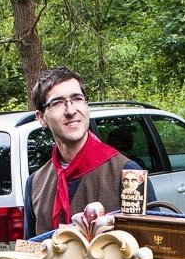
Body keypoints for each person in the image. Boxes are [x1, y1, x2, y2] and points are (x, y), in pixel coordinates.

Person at [24, 67, 151, 237]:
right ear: (41, 117)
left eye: (77, 98)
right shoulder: (35, 184)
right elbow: (30, 251)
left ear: (86, 105)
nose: (70, 110)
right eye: (57, 103)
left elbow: (149, 248)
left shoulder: (128, 173)